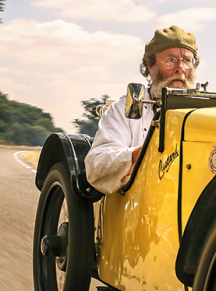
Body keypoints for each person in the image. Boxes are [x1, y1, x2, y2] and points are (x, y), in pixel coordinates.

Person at [84, 26, 200, 194]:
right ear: (149, 65)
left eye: (187, 60)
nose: (180, 68)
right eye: (171, 60)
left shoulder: (207, 113)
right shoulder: (124, 110)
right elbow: (96, 169)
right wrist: (139, 154)